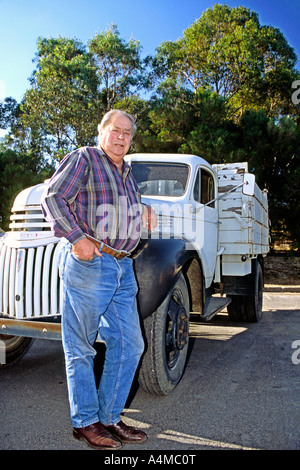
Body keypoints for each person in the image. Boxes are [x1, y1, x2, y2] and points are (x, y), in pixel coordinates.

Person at [41, 110, 157, 450]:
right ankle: (85, 422)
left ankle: (109, 416)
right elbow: (53, 197)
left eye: (127, 133)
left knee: (131, 344)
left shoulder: (128, 173)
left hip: (123, 268)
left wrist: (143, 209)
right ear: (101, 131)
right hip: (90, 263)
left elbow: (118, 206)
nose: (121, 137)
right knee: (80, 347)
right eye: (115, 130)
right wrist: (78, 239)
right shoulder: (85, 158)